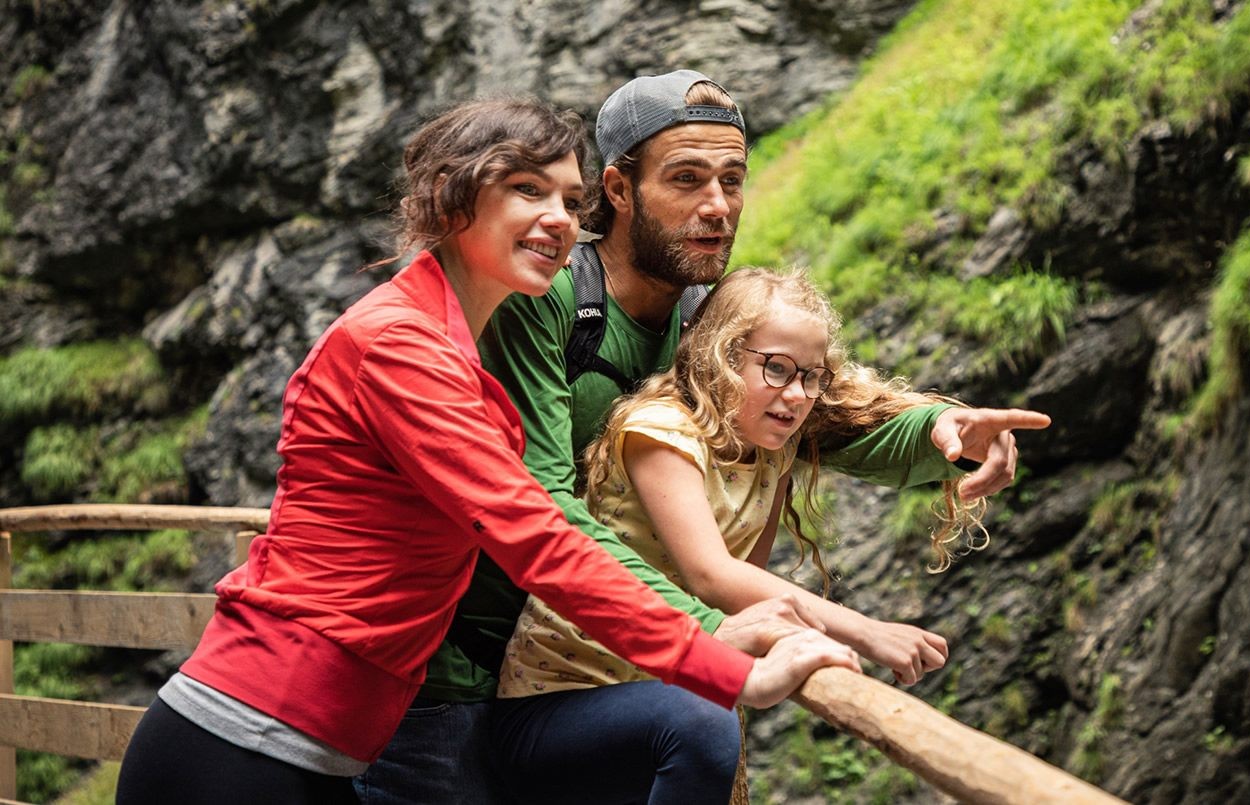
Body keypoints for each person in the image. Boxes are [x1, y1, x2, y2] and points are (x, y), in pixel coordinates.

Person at [114, 98, 859, 805]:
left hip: (314, 749)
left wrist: (932, 431)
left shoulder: (449, 340)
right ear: (450, 198)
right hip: (243, 744)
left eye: (571, 200)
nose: (559, 219)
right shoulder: (400, 348)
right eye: (527, 190)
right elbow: (537, 535)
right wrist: (725, 670)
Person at [357, 71, 1050, 803]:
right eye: (687, 179)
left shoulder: (707, 317)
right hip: (456, 679)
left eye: (733, 179)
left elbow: (815, 414)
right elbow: (543, 503)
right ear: (619, 190)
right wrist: (704, 632)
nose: (717, 206)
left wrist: (939, 429)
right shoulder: (547, 297)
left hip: (608, 668)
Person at [491, 268, 992, 803]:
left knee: (706, 718)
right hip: (561, 703)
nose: (797, 393)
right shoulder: (659, 432)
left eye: (812, 376)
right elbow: (715, 576)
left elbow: (747, 581)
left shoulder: (773, 452)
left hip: (663, 694)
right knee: (706, 720)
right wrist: (863, 631)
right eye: (776, 369)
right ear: (721, 359)